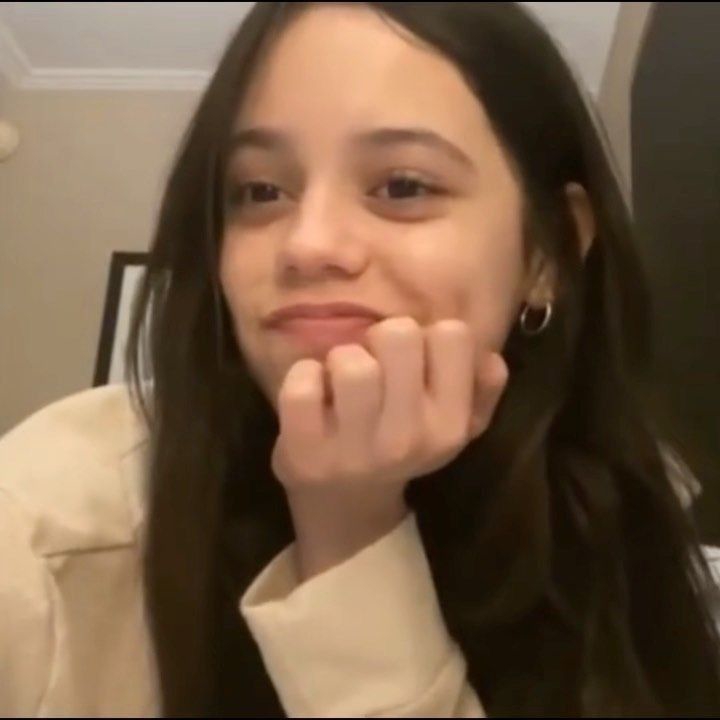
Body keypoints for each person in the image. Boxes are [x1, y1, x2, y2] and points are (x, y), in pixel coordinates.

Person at [1, 2, 719, 716]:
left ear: (547, 252)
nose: (307, 243)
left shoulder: (625, 519)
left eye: (403, 186)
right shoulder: (39, 535)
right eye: (260, 191)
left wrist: (349, 527)